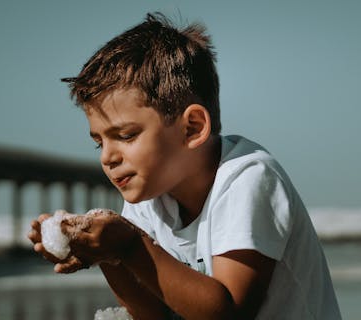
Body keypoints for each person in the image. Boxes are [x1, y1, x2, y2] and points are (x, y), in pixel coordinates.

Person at [28, 13, 342, 319]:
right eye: (100, 142)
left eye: (125, 135)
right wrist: (108, 255)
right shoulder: (148, 197)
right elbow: (153, 313)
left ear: (191, 128)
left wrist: (129, 246)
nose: (107, 157)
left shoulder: (249, 178)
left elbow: (229, 311)